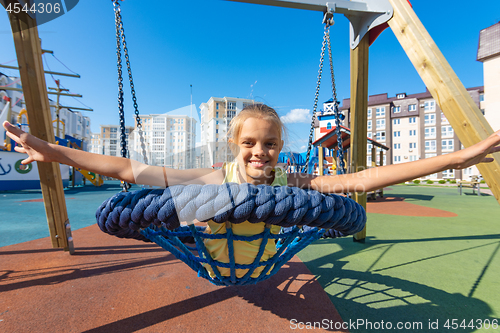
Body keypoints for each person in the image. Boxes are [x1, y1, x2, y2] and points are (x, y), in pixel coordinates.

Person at [3, 104, 500, 278]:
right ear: (234, 145)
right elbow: (131, 169)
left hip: (263, 260)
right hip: (215, 261)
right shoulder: (214, 179)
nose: (259, 152)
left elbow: (361, 180)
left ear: (282, 147)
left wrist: (458, 157)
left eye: (270, 144)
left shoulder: (288, 182)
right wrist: (54, 150)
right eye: (250, 143)